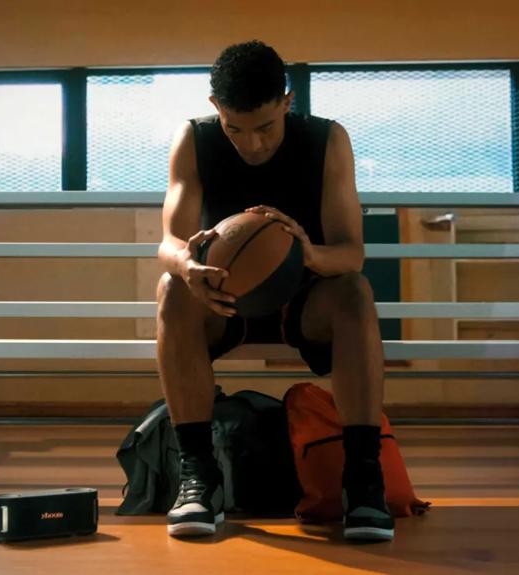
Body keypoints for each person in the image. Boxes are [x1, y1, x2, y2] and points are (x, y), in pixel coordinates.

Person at [156, 40, 392, 541]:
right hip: (224, 295)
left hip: (308, 297)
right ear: (216, 108)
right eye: (235, 128)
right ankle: (199, 477)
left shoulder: (326, 140)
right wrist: (188, 267)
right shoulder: (194, 140)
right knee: (171, 287)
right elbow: (169, 242)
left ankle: (363, 480)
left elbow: (351, 253)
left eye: (265, 127)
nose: (253, 144)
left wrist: (306, 252)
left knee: (355, 291)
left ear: (287, 101)